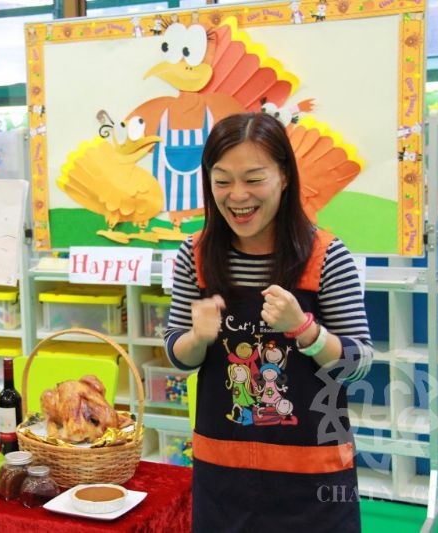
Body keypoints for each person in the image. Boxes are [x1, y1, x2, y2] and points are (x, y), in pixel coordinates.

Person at [164, 112, 373, 531]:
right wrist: (197, 338)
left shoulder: (326, 256)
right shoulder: (195, 255)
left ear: (285, 177)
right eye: (222, 181)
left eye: (254, 179)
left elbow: (359, 364)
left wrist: (305, 331)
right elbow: (177, 353)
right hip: (223, 474)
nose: (237, 195)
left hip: (312, 475)